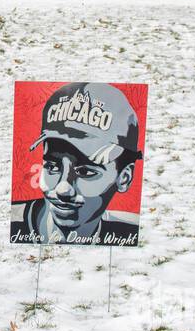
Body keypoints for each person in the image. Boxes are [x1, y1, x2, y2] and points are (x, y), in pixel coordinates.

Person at [11, 82, 141, 246]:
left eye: (86, 172)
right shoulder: (10, 223)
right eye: (52, 167)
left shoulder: (127, 232)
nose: (62, 189)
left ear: (124, 178)